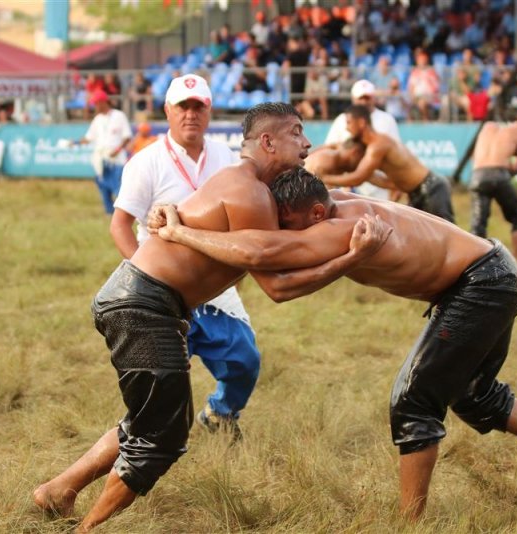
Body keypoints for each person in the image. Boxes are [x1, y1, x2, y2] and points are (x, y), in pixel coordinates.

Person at [152, 167, 517, 522]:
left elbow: (262, 258)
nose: (284, 232)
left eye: (288, 226)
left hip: (481, 283)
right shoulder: (330, 198)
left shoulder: (338, 228)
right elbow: (261, 230)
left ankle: (412, 522)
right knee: (473, 393)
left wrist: (178, 233)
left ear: (313, 214)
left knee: (413, 401)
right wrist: (183, 208)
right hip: (492, 269)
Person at [33, 102, 387, 532]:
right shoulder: (250, 191)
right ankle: (87, 528)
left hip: (148, 302)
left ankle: (59, 491)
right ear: (268, 142)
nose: (307, 142)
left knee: (153, 420)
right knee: (163, 437)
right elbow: (277, 286)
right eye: (296, 132)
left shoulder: (247, 185)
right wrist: (351, 258)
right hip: (143, 303)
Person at [110, 74, 261, 441]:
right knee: (159, 386)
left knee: (245, 361)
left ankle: (220, 415)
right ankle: (142, 443)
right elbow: (120, 226)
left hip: (214, 291)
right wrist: (144, 281)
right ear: (168, 110)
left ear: (209, 111)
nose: (190, 114)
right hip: (162, 291)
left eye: (198, 106)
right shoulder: (146, 162)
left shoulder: (228, 160)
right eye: (183, 106)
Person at [320, 105, 455, 222]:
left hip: (431, 188)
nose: (347, 128)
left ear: (361, 123)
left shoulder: (378, 145)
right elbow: (375, 178)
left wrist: (324, 178)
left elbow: (358, 177)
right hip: (417, 192)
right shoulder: (370, 147)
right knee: (420, 240)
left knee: (451, 237)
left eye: (349, 123)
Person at [469, 122, 517, 259]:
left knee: (477, 225)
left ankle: (474, 263)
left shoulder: (487, 128)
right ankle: (516, 260)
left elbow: (475, 157)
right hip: (498, 174)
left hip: (477, 175)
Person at [324, 80, 401, 199]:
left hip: (377, 188)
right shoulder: (341, 120)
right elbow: (330, 150)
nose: (364, 102)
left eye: (367, 98)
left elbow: (395, 156)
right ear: (353, 99)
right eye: (360, 98)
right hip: (347, 187)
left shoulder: (387, 120)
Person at [74, 90, 132, 216]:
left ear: (103, 102)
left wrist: (117, 150)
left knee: (119, 187)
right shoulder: (97, 119)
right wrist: (75, 142)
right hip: (101, 158)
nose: (95, 107)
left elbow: (127, 137)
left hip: (117, 159)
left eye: (96, 104)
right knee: (103, 185)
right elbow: (89, 138)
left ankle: (125, 213)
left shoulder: (119, 116)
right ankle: (109, 212)